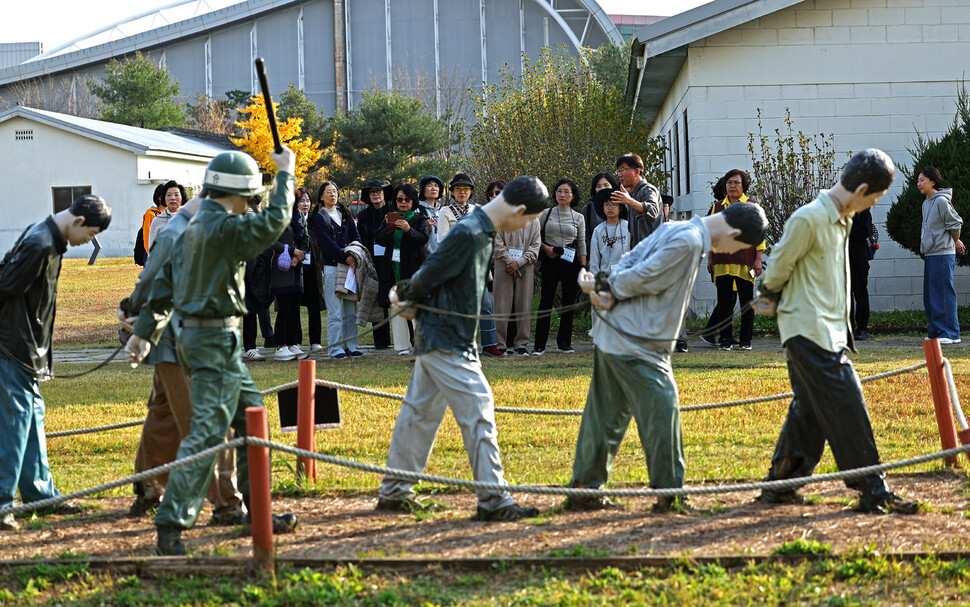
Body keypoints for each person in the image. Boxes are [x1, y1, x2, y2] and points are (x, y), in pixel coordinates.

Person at [127, 147, 300, 555]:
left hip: (211, 341)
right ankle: (171, 523)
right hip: (213, 343)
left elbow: (165, 286)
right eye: (250, 196)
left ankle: (255, 512)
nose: (251, 203)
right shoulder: (223, 228)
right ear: (238, 192)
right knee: (206, 434)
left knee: (253, 420)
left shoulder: (192, 226)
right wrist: (286, 175)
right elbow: (275, 221)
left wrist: (146, 332)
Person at [568, 201, 767, 512]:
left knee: (605, 415)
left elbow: (630, 259)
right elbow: (646, 275)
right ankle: (670, 493)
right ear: (735, 233)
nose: (732, 252)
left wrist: (605, 281)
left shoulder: (678, 228)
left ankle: (584, 488)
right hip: (637, 338)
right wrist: (605, 284)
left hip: (615, 333)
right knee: (663, 404)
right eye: (739, 246)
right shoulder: (689, 242)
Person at [753, 148, 919, 515]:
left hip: (827, 330)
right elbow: (777, 266)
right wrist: (767, 293)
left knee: (810, 410)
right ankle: (873, 488)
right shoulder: (810, 218)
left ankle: (780, 484)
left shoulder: (842, 221)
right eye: (875, 196)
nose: (875, 203)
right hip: (807, 330)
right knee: (848, 399)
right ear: (861, 188)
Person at [376, 176, 547, 521]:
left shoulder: (480, 231)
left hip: (447, 336)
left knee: (418, 415)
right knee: (479, 407)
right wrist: (405, 293)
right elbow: (432, 270)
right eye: (529, 218)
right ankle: (494, 500)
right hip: (447, 339)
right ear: (518, 210)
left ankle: (395, 492)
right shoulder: (470, 233)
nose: (528, 225)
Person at [120, 194, 244, 522]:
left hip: (176, 342)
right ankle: (227, 503)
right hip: (182, 343)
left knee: (162, 416)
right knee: (206, 420)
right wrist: (134, 313)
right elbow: (149, 282)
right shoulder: (178, 233)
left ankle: (149, 484)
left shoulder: (194, 227)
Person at [0, 195, 112, 530]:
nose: (89, 241)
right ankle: (3, 502)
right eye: (91, 234)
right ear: (78, 222)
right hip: (13, 347)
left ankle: (41, 496)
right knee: (14, 426)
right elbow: (5, 286)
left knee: (31, 420)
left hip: (26, 348)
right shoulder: (41, 244)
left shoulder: (46, 236)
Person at [699, 169, 765, 351]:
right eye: (729, 182)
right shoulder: (717, 207)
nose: (732, 186)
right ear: (725, 185)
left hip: (745, 261)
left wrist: (758, 259)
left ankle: (745, 341)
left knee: (746, 303)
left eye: (736, 182)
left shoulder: (752, 205)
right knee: (725, 304)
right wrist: (710, 258)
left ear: (743, 185)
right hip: (721, 263)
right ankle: (725, 340)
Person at [440, 174, 502, 357]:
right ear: (452, 192)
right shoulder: (445, 211)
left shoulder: (479, 210)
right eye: (458, 189)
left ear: (471, 192)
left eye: (465, 189)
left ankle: (490, 345)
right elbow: (443, 239)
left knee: (485, 305)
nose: (462, 192)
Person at [309, 181, 363, 359]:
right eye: (328, 192)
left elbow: (355, 235)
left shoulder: (345, 213)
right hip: (332, 267)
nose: (333, 194)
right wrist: (344, 256)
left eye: (335, 191)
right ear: (321, 196)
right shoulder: (319, 217)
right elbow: (327, 244)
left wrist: (354, 253)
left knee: (350, 310)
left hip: (350, 267)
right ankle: (335, 348)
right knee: (335, 311)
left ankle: (351, 345)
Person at [375, 183, 430, 355]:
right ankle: (402, 346)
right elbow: (380, 239)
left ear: (413, 201)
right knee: (396, 306)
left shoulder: (419, 219)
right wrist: (388, 227)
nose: (403, 202)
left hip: (414, 269)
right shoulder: (389, 217)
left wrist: (408, 229)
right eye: (399, 199)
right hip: (393, 269)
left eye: (407, 199)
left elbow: (423, 239)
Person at [534, 178, 587, 355]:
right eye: (559, 191)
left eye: (566, 192)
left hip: (570, 261)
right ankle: (539, 345)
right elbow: (535, 236)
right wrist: (547, 249)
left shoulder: (578, 217)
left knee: (568, 302)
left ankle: (564, 343)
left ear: (573, 196)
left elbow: (581, 243)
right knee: (545, 301)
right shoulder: (546, 214)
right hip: (550, 260)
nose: (562, 195)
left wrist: (583, 265)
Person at [492, 181, 540, 356]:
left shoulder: (534, 220)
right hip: (502, 265)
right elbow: (497, 243)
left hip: (525, 267)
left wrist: (519, 262)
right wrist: (508, 260)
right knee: (501, 306)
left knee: (524, 305)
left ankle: (521, 344)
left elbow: (535, 246)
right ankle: (500, 344)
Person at [918, 167, 965, 345]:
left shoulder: (941, 202)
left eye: (922, 180)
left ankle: (951, 333)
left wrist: (956, 241)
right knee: (931, 295)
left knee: (943, 293)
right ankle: (936, 332)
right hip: (931, 253)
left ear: (933, 181)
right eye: (918, 180)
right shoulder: (926, 203)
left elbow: (955, 223)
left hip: (943, 254)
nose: (919, 184)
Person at [269, 198, 309, 361]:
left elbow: (306, 237)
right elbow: (271, 240)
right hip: (282, 267)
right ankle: (280, 346)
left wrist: (300, 255)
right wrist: (292, 251)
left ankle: (293, 343)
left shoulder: (299, 215)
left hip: (296, 267)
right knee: (284, 307)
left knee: (294, 307)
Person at [356, 179, 394, 350]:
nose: (376, 195)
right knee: (377, 301)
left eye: (379, 191)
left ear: (384, 193)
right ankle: (381, 341)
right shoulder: (364, 216)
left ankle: (405, 339)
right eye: (372, 192)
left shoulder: (393, 211)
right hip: (373, 263)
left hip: (393, 260)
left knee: (397, 299)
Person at [242, 196, 277, 359]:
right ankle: (248, 346)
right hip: (241, 266)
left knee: (255, 305)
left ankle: (251, 346)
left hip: (258, 267)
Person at [611, 153, 663, 245]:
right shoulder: (633, 194)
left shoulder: (648, 189)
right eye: (618, 171)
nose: (619, 175)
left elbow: (653, 210)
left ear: (637, 172)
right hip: (638, 252)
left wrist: (629, 201)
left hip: (651, 252)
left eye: (622, 170)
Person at [295, 188, 323, 354]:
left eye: (307, 201)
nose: (305, 204)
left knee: (314, 304)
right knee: (295, 305)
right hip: (295, 267)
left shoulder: (314, 220)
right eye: (301, 201)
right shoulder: (292, 220)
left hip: (313, 268)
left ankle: (315, 341)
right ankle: (296, 340)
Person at [848, 208, 874, 341]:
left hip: (859, 258)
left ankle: (862, 328)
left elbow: (864, 232)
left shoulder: (864, 213)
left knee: (860, 293)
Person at [581, 172, 618, 255]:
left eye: (606, 185)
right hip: (596, 256)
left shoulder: (622, 207)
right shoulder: (588, 209)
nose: (602, 188)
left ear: (612, 187)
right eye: (598, 186)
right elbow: (585, 236)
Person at [148, 181, 187, 251]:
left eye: (176, 194)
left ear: (182, 197)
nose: (173, 198)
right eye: (169, 195)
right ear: (164, 198)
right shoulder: (157, 221)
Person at [417, 175, 443, 255]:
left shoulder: (442, 210)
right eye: (429, 185)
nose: (434, 188)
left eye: (436, 186)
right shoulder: (417, 210)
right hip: (423, 258)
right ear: (422, 189)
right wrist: (425, 226)